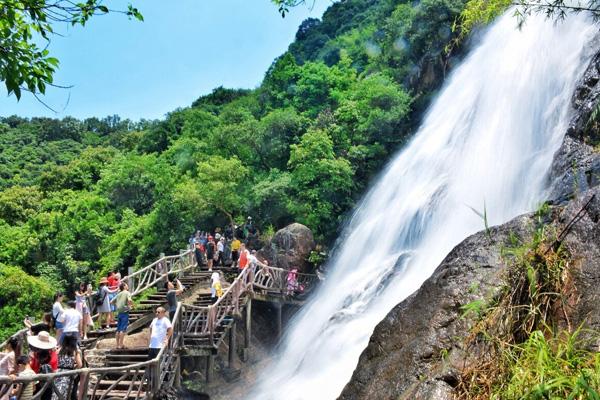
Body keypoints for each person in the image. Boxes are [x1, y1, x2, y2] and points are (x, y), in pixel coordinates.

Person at [51, 335, 82, 400]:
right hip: (68, 374)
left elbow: (54, 361)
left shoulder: (59, 350)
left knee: (56, 392)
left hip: (58, 373)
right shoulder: (75, 351)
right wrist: (74, 367)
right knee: (65, 394)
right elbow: (80, 365)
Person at [112, 282, 133, 350]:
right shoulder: (127, 292)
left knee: (118, 329)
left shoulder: (118, 294)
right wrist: (130, 306)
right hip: (124, 312)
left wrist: (117, 305)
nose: (127, 286)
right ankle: (121, 345)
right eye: (126, 285)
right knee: (122, 329)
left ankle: (118, 344)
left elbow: (111, 302)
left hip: (119, 312)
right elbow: (129, 300)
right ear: (124, 286)